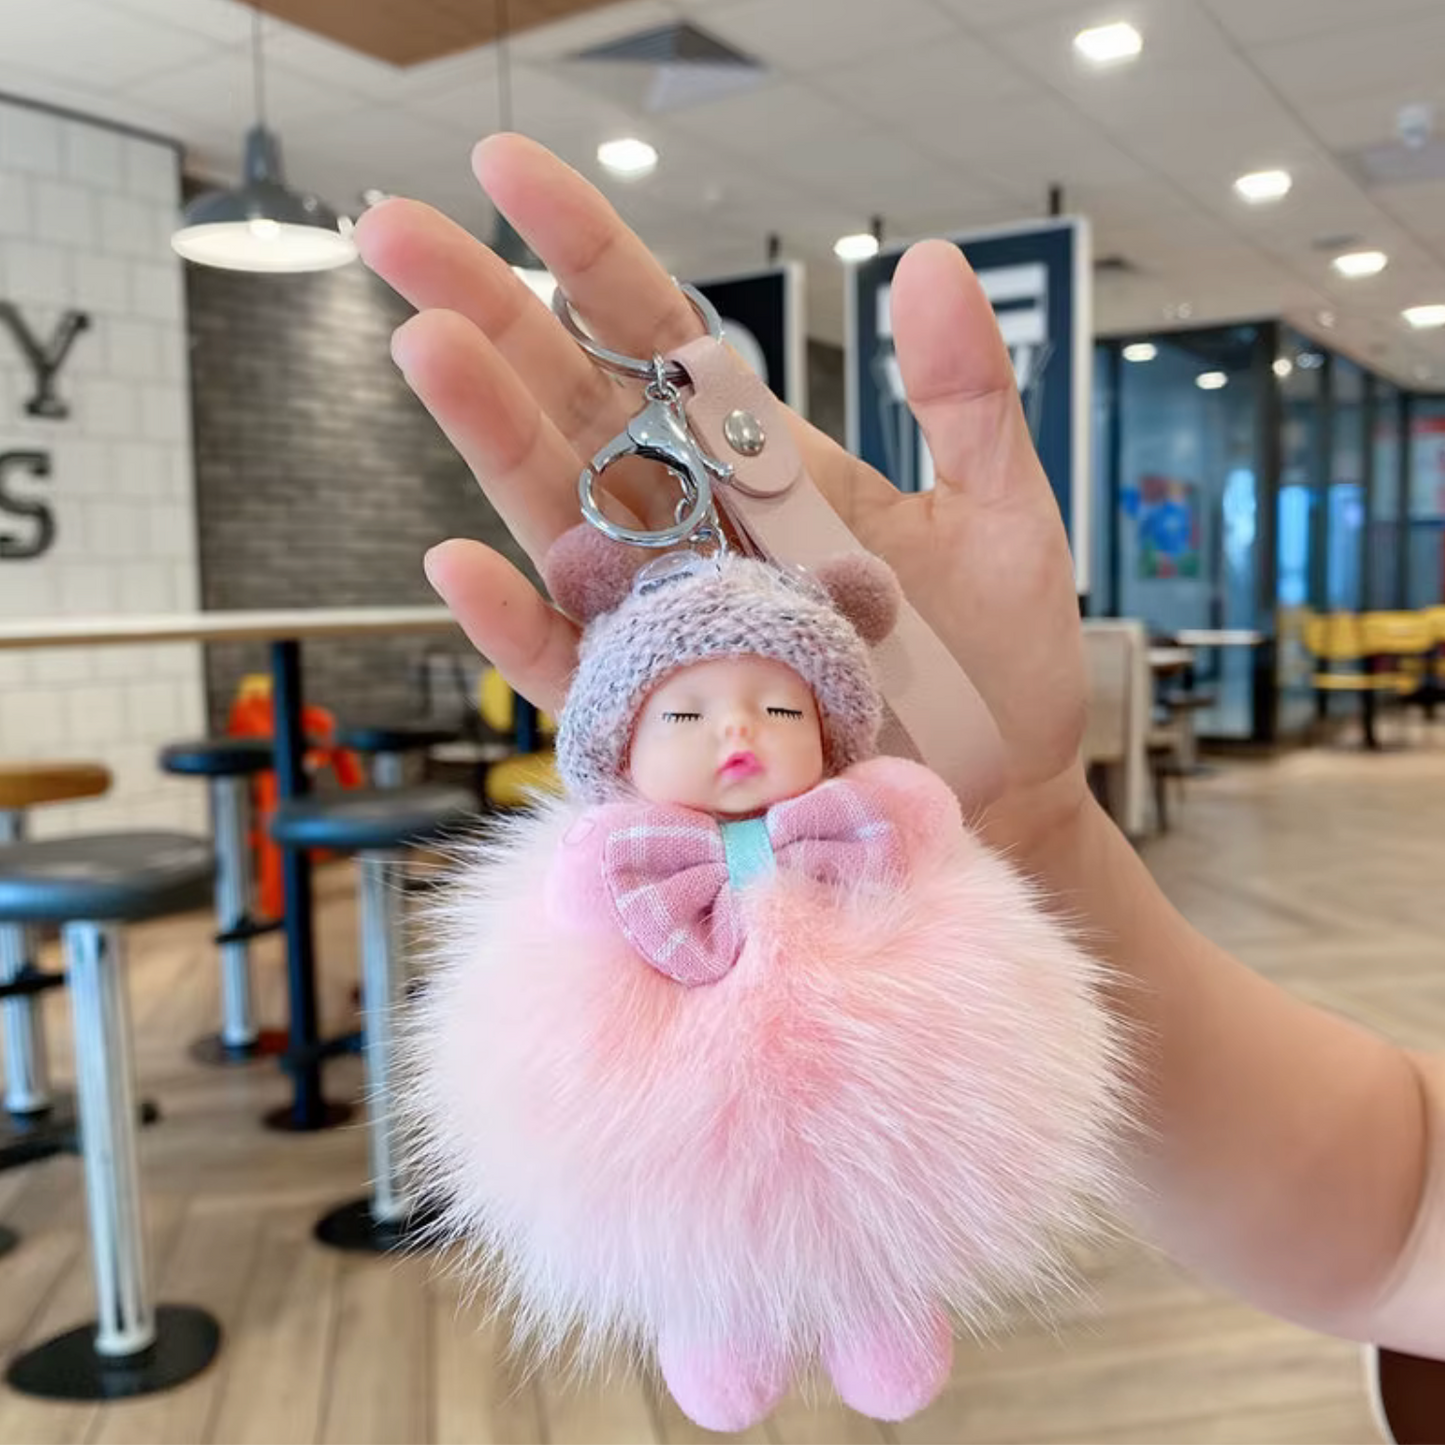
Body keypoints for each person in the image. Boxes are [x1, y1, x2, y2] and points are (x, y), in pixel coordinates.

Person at [354, 134, 1444, 1362]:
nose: (737, 740)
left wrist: (1003, 816)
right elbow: (1401, 1212)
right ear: (619, 742)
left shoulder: (857, 816)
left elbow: (1402, 1228)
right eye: (684, 716)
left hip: (874, 1034)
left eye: (779, 710)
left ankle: (887, 1289)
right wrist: (1036, 821)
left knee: (891, 1163)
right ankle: (702, 1314)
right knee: (663, 1188)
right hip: (671, 1082)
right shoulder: (636, 860)